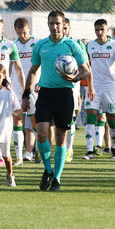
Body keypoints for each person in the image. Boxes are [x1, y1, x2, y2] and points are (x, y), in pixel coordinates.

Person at [22, 10, 94, 191]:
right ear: (48, 24)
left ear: (63, 25)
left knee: (61, 138)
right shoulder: (40, 45)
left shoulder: (73, 46)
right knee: (41, 133)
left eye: (58, 23)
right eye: (52, 23)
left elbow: (86, 70)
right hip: (45, 94)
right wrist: (26, 93)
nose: (55, 27)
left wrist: (76, 78)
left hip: (64, 94)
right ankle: (48, 170)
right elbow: (33, 70)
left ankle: (57, 179)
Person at [83, 19, 115, 160]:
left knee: (112, 119)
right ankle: (90, 151)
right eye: (97, 30)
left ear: (107, 30)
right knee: (91, 117)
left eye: (102, 29)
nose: (99, 32)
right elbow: (85, 63)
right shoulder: (90, 45)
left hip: (110, 87)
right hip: (94, 86)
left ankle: (114, 148)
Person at [0, 14, 25, 166]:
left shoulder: (10, 45)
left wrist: (24, 90)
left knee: (8, 121)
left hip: (5, 88)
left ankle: (15, 155)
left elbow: (18, 68)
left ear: (2, 28)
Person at [12, 17, 40, 162]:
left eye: (24, 32)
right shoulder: (13, 45)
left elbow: (42, 64)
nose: (22, 36)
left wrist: (40, 81)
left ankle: (39, 148)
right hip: (17, 87)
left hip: (34, 87)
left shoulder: (37, 43)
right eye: (19, 33)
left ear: (29, 28)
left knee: (34, 120)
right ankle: (24, 154)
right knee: (18, 119)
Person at [63, 18, 87, 160]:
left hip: (72, 85)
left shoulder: (77, 44)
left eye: (66, 28)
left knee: (70, 117)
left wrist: (90, 86)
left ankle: (68, 149)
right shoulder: (52, 43)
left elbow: (86, 67)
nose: (63, 30)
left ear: (70, 29)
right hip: (55, 84)